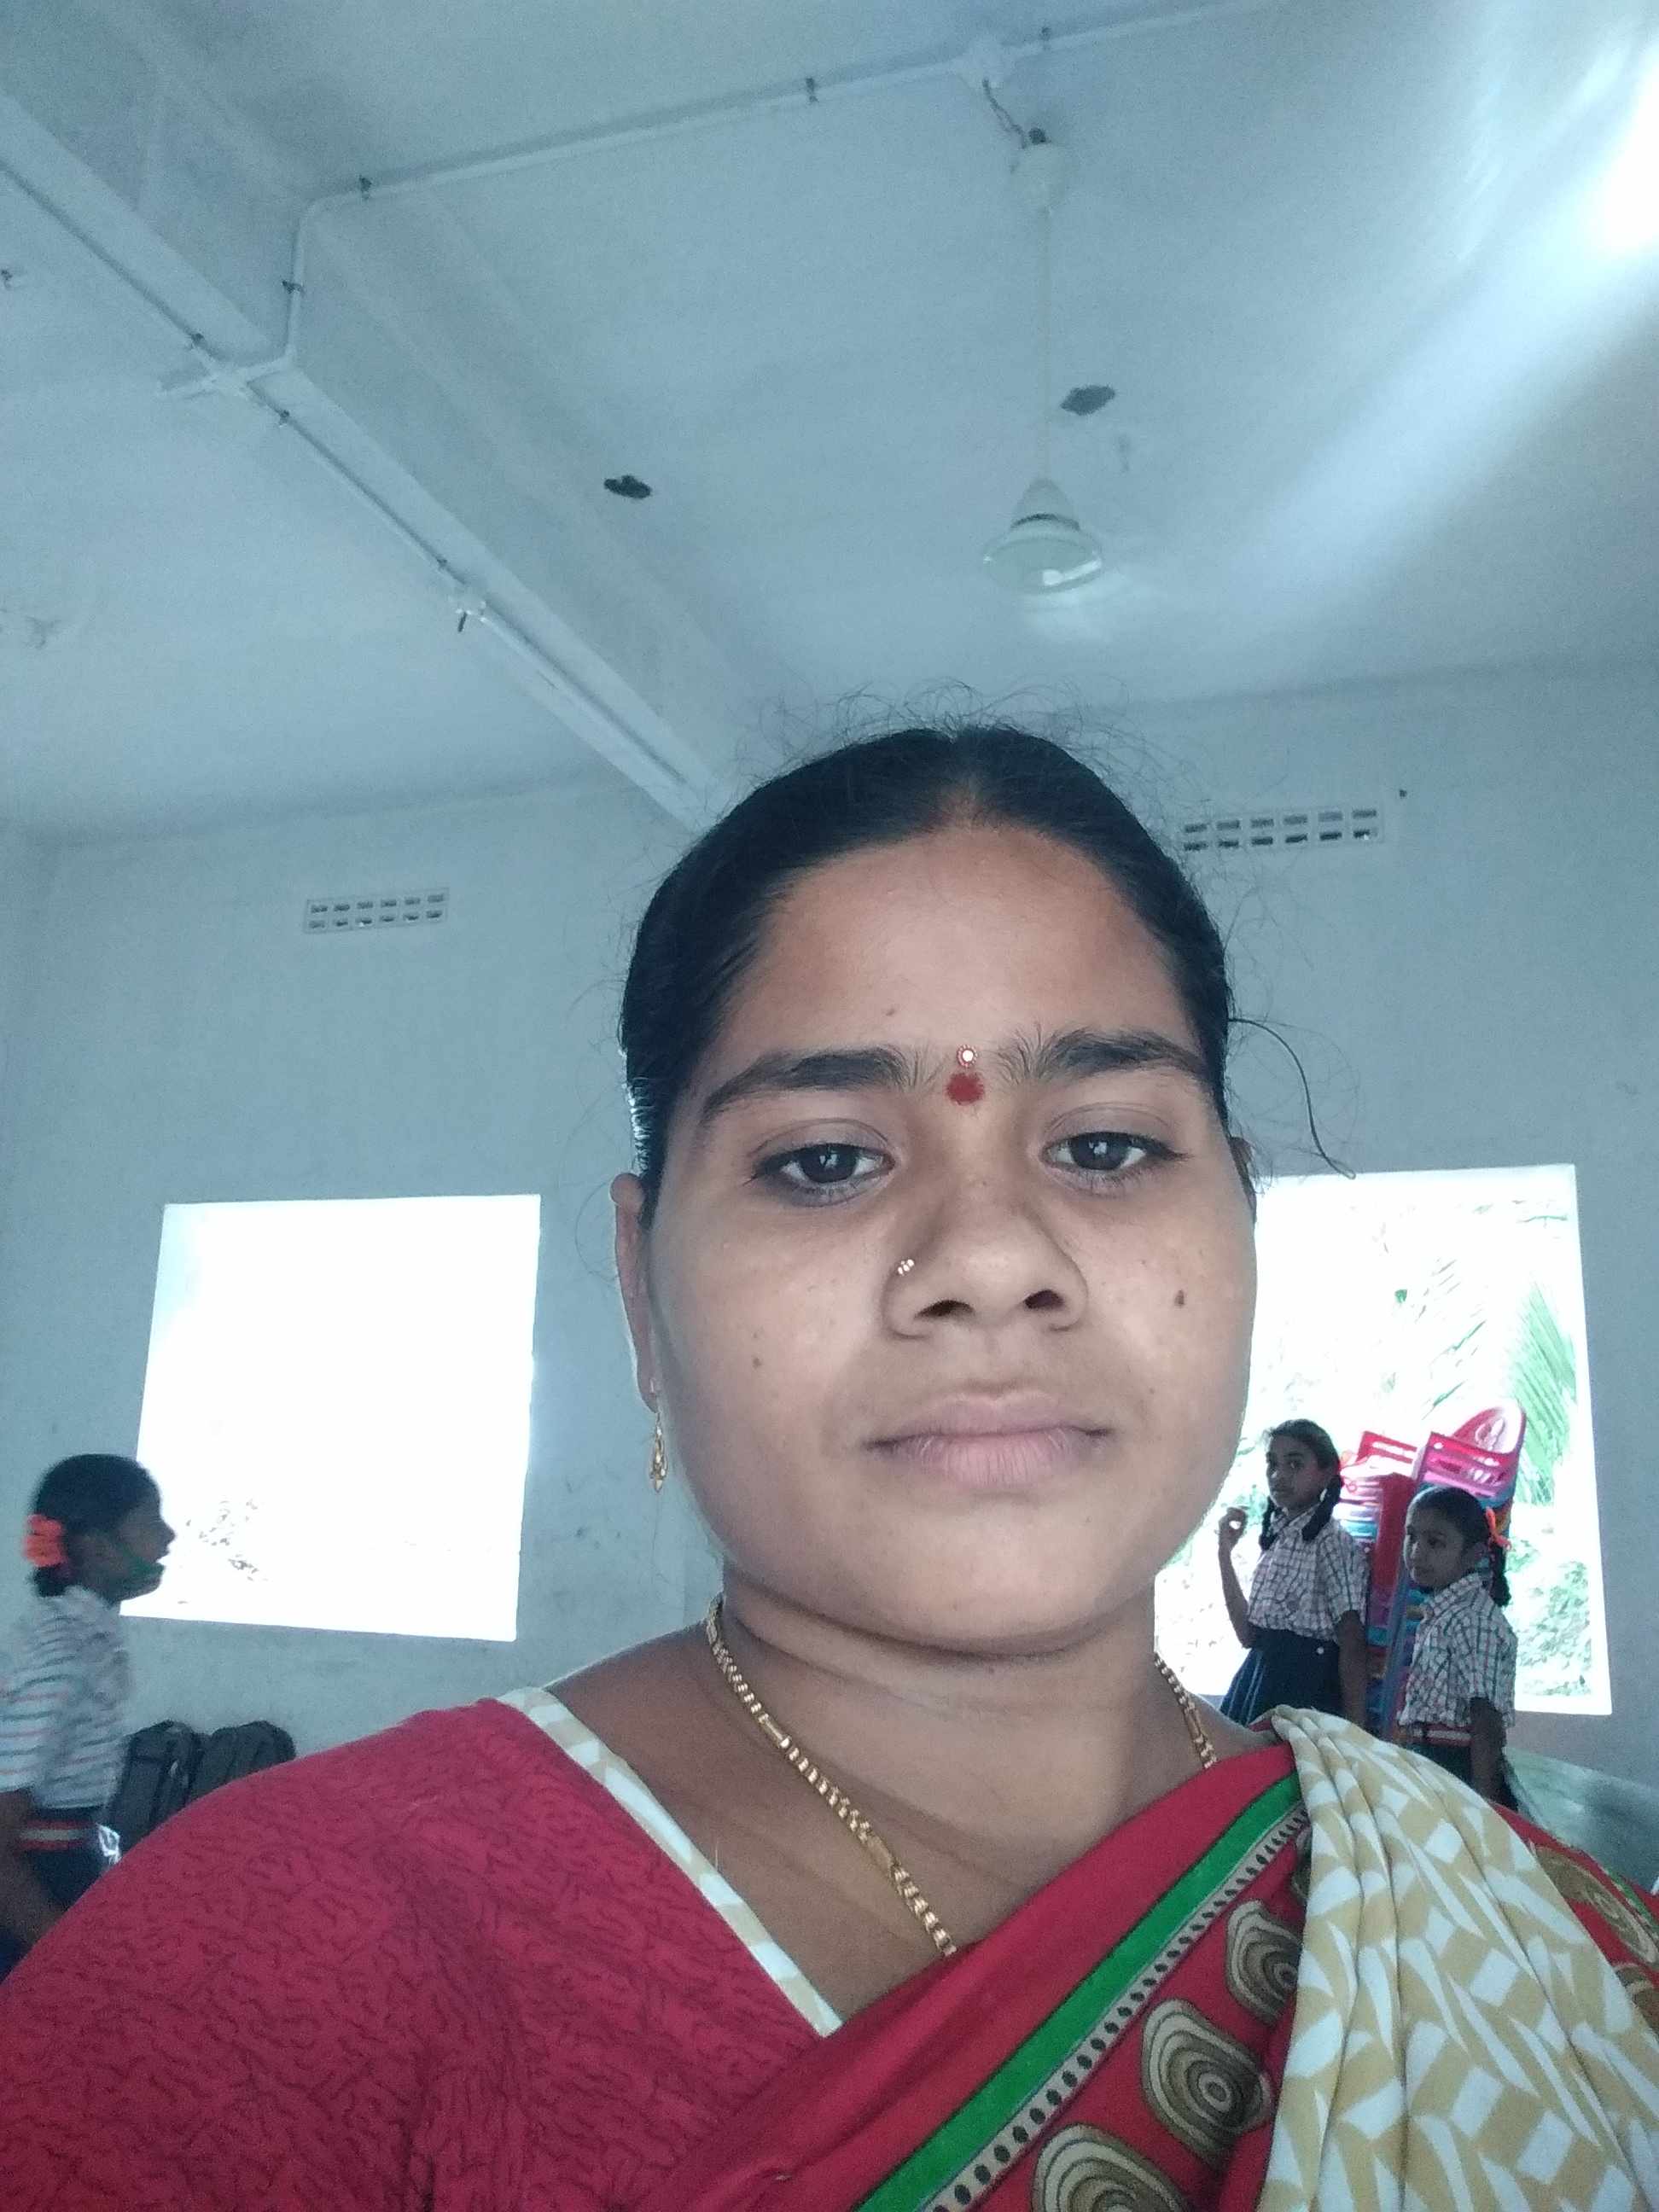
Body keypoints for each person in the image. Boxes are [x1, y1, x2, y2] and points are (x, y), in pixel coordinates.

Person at [0, 726, 1654, 2209]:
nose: (988, 1258)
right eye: (823, 1161)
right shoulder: (262, 1976)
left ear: (1240, 1225)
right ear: (642, 1287)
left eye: (1104, 1144)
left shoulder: (1531, 1949)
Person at [0, 1454, 172, 1981]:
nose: (168, 1537)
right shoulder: (63, 1657)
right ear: (97, 1545)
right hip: (32, 1890)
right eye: (149, 1521)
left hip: (66, 1866)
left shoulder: (84, 1639)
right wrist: (68, 1959)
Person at [1214, 1420, 1371, 1730]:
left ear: (1327, 1473)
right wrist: (1224, 1554)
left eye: (1295, 1464)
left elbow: (1351, 1640)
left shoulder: (1332, 1543)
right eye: (1272, 1464)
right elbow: (1248, 1636)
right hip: (1258, 1680)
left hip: (1303, 1690)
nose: (1278, 1475)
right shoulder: (1280, 1538)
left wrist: (1356, 1735)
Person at [1394, 1481, 1520, 1807]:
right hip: (1428, 1759)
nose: (1417, 1552)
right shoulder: (1444, 1611)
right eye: (1411, 1536)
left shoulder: (1472, 1619)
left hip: (1455, 1766)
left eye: (1435, 1542)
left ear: (1473, 1554)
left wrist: (1485, 1806)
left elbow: (1486, 1720)